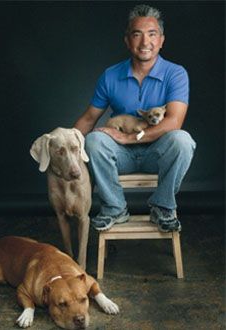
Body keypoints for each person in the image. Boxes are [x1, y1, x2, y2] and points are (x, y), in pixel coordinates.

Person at [74, 4, 196, 232]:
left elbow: (174, 122)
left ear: (161, 40)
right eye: (137, 34)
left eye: (152, 34)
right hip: (122, 157)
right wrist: (64, 145)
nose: (145, 42)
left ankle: (162, 206)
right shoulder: (110, 75)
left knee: (183, 140)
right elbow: (89, 118)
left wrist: (127, 138)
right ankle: (114, 208)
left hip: (157, 154)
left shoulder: (176, 73)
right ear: (127, 40)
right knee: (93, 140)